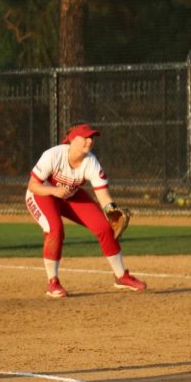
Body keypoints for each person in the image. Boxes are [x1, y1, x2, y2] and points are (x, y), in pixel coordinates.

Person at [24, 123, 146, 298]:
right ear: (72, 139)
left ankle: (121, 276)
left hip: (69, 196)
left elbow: (103, 196)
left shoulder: (91, 162)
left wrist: (112, 210)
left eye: (92, 138)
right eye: (85, 137)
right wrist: (53, 191)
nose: (90, 141)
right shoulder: (53, 155)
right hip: (41, 194)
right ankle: (53, 282)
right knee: (55, 229)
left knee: (104, 227)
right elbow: (33, 185)